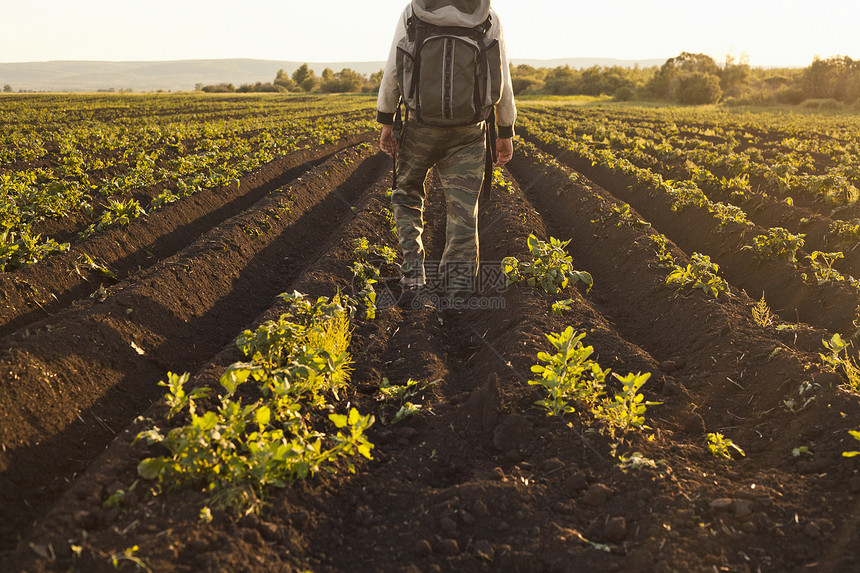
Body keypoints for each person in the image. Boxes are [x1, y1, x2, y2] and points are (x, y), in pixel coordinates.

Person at [377, 0, 516, 310]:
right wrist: (504, 131)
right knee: (463, 210)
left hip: (420, 127)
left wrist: (386, 119)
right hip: (468, 131)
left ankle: (413, 272)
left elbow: (394, 67)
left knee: (407, 193)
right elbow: (501, 75)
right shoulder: (487, 17)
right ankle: (458, 293)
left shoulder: (413, 12)